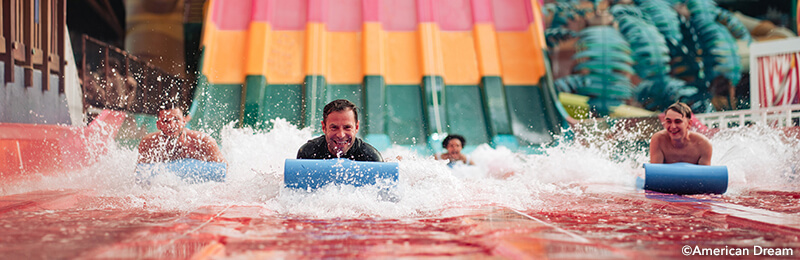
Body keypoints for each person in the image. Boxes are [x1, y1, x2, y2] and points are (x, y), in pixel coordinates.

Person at [297, 99, 383, 162]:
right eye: (334, 128)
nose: (341, 135)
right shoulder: (308, 154)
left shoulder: (371, 158)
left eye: (347, 127)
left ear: (356, 127)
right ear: (324, 127)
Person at [137, 103, 225, 164]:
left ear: (183, 121)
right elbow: (141, 175)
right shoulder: (149, 143)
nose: (171, 126)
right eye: (165, 121)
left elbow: (223, 170)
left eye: (176, 120)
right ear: (158, 125)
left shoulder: (203, 141)